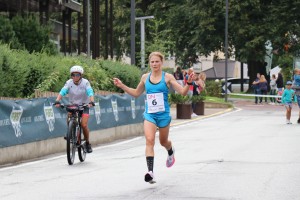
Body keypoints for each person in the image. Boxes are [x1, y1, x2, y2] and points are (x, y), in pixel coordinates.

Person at [113, 52, 194, 184]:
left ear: (162, 63)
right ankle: (150, 172)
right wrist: (122, 86)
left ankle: (170, 150)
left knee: (163, 142)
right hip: (149, 114)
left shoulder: (167, 77)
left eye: (157, 61)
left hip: (163, 115)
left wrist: (188, 83)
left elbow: (183, 92)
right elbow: (136, 93)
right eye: (152, 62)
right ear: (149, 63)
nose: (154, 64)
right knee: (149, 140)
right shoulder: (145, 77)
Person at [55, 65, 95, 153]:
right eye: (73, 75)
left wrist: (91, 101)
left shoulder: (85, 82)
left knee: (84, 125)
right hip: (73, 105)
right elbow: (63, 91)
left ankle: (87, 143)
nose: (75, 77)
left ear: (81, 76)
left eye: (77, 75)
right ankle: (70, 133)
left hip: (84, 106)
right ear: (71, 76)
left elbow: (90, 92)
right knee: (69, 117)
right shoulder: (69, 82)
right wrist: (57, 100)